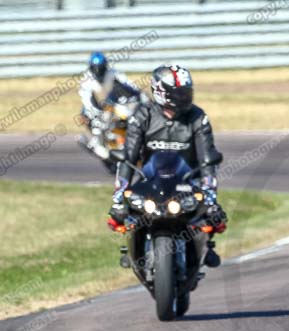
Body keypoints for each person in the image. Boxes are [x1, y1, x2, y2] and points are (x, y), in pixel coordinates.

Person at [108, 64, 225, 268]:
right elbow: (127, 158)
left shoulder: (198, 117)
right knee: (125, 214)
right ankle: (136, 248)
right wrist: (118, 198)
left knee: (213, 217)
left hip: (188, 182)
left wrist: (211, 198)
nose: (185, 97)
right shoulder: (142, 116)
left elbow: (208, 160)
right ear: (163, 93)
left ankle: (201, 250)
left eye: (187, 92)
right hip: (151, 182)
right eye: (179, 93)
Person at [78, 51, 145, 156]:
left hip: (112, 101)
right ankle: (97, 144)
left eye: (101, 68)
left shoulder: (113, 73)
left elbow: (128, 84)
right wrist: (96, 115)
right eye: (95, 68)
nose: (98, 71)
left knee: (128, 114)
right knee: (91, 120)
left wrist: (139, 94)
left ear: (105, 66)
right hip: (94, 105)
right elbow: (87, 100)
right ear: (91, 68)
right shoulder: (86, 80)